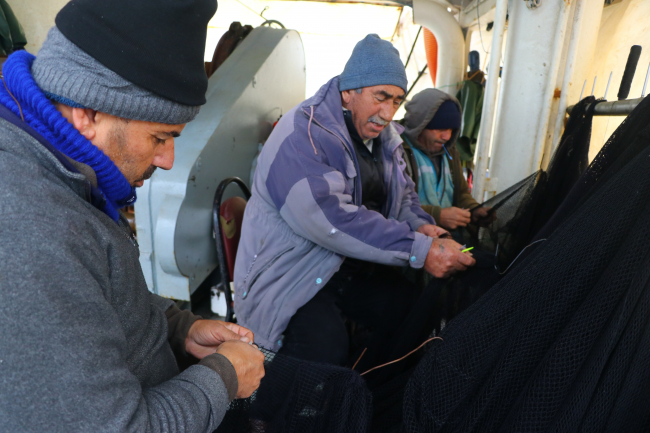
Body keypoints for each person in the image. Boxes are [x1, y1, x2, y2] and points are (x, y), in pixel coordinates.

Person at [0, 1, 264, 431]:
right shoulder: (28, 231)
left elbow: (91, 296)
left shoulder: (57, 168)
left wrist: (177, 329)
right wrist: (225, 377)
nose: (168, 159)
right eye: (160, 137)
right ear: (88, 113)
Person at [233, 34, 475, 364]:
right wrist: (417, 249)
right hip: (293, 275)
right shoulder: (303, 136)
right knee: (323, 349)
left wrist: (422, 227)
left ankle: (367, 394)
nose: (388, 113)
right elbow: (332, 220)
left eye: (396, 101)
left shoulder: (385, 138)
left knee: (413, 309)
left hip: (350, 269)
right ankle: (272, 414)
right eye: (381, 97)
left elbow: (404, 197)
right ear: (349, 92)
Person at [401, 88, 493, 231]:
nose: (447, 137)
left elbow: (461, 192)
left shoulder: (449, 152)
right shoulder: (396, 150)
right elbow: (393, 204)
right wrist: (437, 216)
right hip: (410, 239)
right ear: (420, 125)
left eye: (452, 129)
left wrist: (474, 209)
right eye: (440, 129)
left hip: (446, 238)